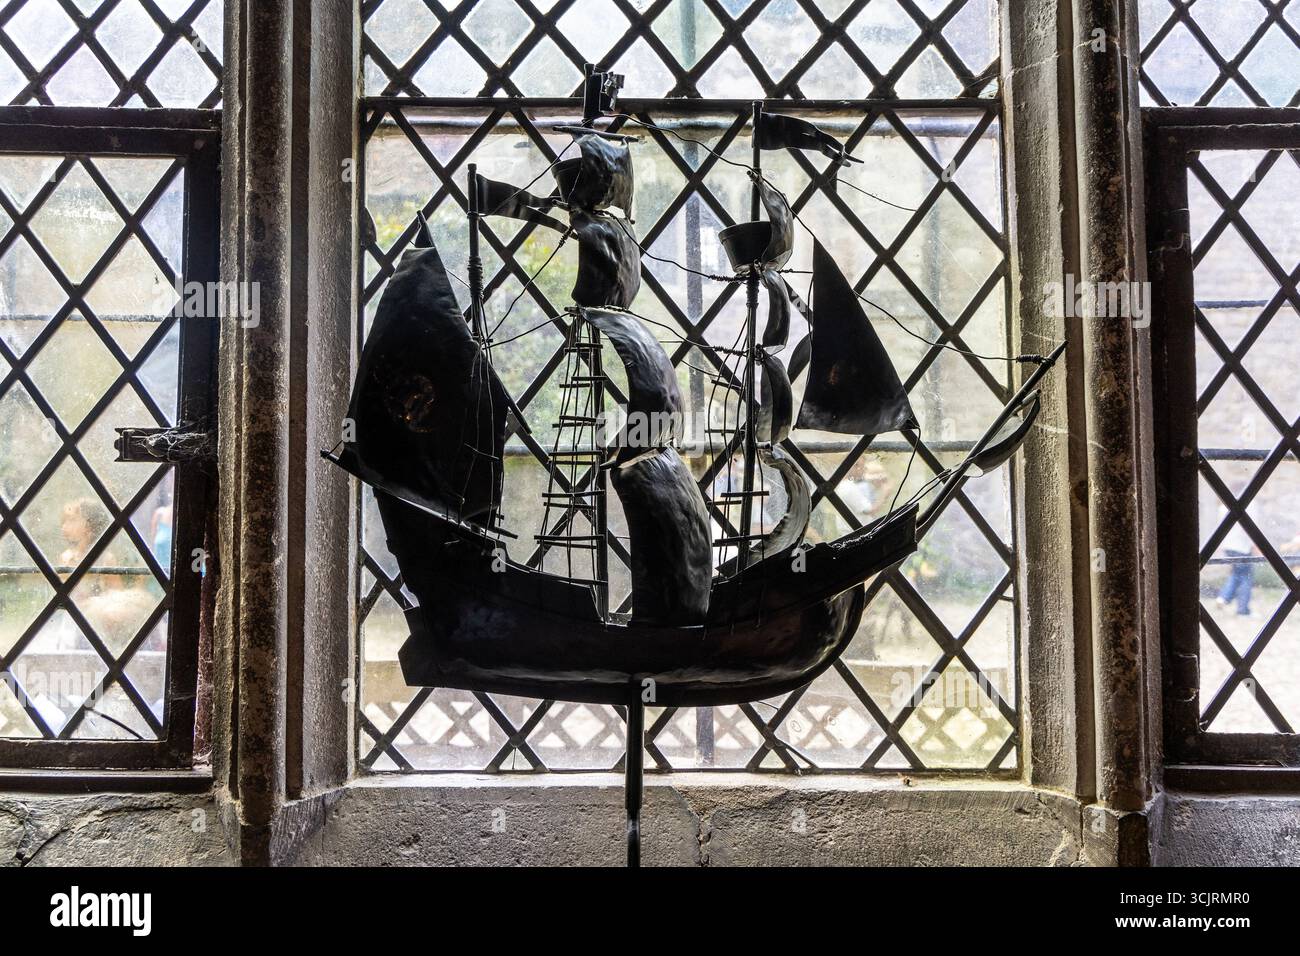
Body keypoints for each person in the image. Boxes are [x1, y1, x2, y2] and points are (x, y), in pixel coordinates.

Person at [1216, 512, 1257, 617]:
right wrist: (1255, 545)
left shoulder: (1223, 506)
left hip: (1229, 546)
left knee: (1236, 574)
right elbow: (1248, 528)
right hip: (1242, 547)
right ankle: (1243, 610)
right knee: (1246, 577)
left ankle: (1223, 597)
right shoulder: (1248, 505)